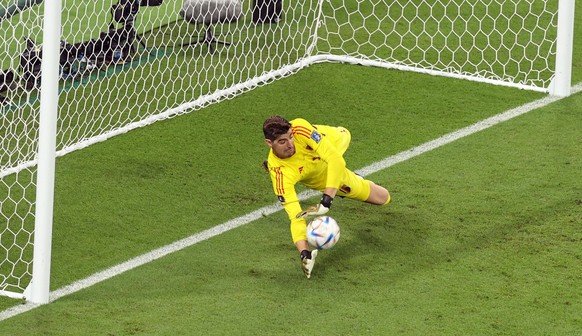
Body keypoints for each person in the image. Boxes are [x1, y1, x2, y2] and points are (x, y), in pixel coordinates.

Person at [262, 116, 391, 278]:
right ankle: (341, 181)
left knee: (344, 138)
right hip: (321, 176)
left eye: (290, 137)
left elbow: (335, 159)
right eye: (282, 142)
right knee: (383, 198)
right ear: (269, 143)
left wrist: (326, 200)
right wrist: (304, 253)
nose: (290, 145)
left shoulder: (300, 129)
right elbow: (296, 218)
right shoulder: (280, 174)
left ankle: (338, 182)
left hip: (333, 144)